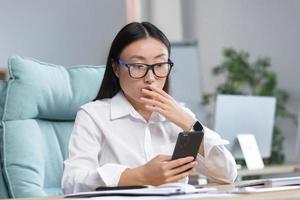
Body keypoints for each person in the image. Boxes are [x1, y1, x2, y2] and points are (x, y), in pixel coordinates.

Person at [62, 22, 237, 194]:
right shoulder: (93, 115)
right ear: (116, 68)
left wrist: (189, 123)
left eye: (159, 65)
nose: (151, 78)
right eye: (138, 66)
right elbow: (73, 182)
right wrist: (140, 176)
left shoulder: (179, 117)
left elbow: (227, 174)